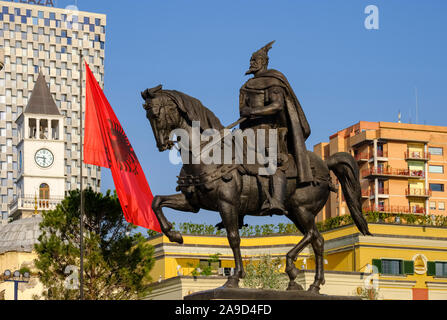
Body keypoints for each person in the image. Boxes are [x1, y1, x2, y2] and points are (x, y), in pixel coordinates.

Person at [239, 41, 314, 216]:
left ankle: (277, 201)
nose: (252, 62)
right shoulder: (245, 86)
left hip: (269, 131)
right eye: (251, 59)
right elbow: (242, 109)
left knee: (273, 162)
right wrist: (247, 113)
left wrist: (254, 111)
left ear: (264, 62)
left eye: (255, 59)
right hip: (247, 131)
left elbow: (277, 106)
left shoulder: (273, 81)